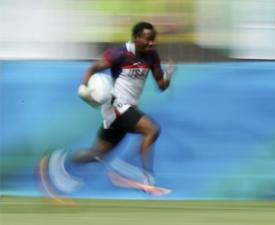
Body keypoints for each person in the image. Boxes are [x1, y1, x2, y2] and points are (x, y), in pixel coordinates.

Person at [38, 21, 174, 196]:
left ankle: (56, 160)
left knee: (97, 154)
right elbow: (93, 68)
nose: (152, 43)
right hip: (117, 107)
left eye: (153, 39)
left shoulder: (152, 56)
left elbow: (161, 85)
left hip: (127, 109)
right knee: (152, 130)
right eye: (148, 39)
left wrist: (168, 75)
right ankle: (146, 177)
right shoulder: (120, 53)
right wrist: (84, 89)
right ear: (136, 38)